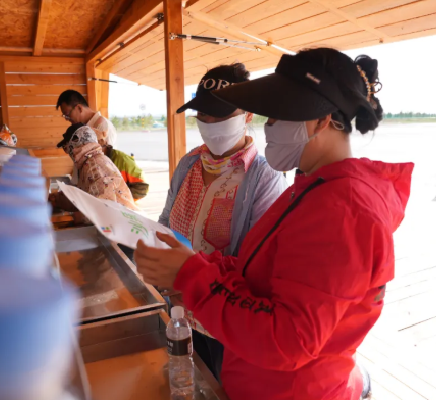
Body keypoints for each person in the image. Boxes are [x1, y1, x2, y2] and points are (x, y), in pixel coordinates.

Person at [134, 48, 414, 400]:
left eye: (279, 115)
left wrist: (190, 276)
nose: (268, 127)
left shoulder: (342, 211)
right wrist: (194, 263)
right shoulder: (312, 188)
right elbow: (259, 273)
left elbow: (289, 340)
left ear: (322, 120)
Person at [159, 63, 287, 381]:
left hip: (223, 323)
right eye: (204, 115)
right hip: (178, 312)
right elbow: (165, 223)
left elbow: (255, 265)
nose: (211, 124)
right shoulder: (188, 164)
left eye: (221, 114)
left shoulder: (264, 177)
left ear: (248, 114)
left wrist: (189, 277)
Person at [49, 123, 137, 212]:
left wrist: (80, 216)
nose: (68, 152)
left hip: (121, 218)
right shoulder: (91, 161)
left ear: (75, 143)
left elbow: (103, 208)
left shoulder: (93, 166)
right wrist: (61, 199)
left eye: (66, 148)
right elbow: (87, 196)